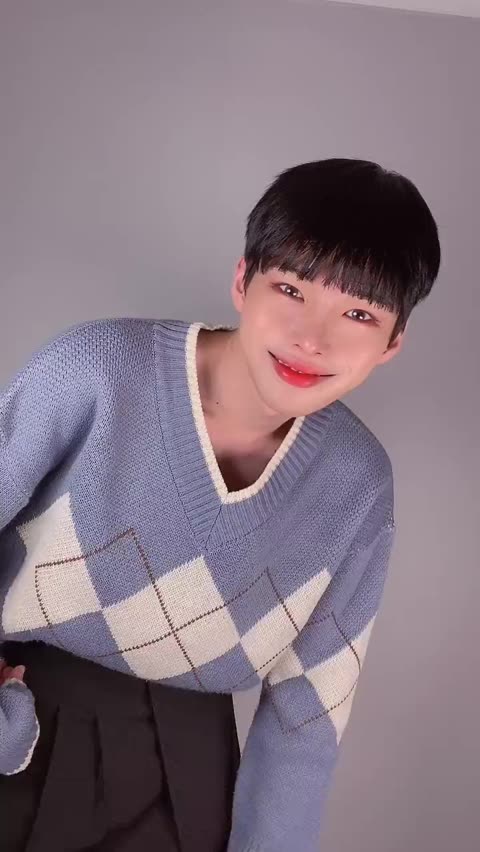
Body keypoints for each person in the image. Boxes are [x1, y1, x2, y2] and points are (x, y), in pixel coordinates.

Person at [0, 158, 440, 852]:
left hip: (191, 767)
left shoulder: (358, 486)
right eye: (290, 289)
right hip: (27, 709)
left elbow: (306, 715)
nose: (312, 338)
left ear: (392, 343)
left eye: (359, 313)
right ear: (242, 280)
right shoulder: (96, 372)